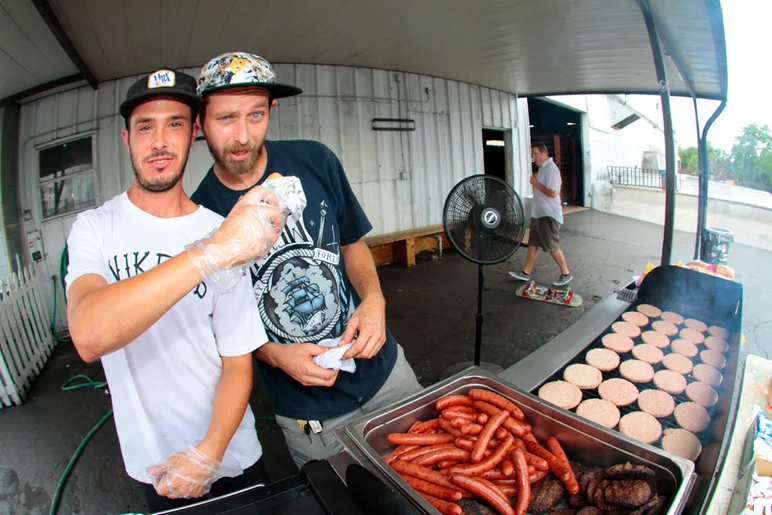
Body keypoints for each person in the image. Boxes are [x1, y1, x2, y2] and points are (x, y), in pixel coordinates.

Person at [65, 69, 285, 512]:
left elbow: (237, 365)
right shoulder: (95, 229)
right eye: (146, 126)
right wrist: (206, 256)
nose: (160, 141)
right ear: (127, 138)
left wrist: (210, 452)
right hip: (157, 465)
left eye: (175, 124)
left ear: (194, 133)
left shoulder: (221, 231)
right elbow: (89, 333)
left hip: (234, 455)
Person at [190, 52, 423, 468]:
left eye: (256, 115)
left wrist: (373, 301)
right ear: (199, 123)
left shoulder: (315, 161)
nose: (243, 135)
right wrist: (276, 355)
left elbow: (352, 243)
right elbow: (222, 327)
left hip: (387, 374)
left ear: (271, 110)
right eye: (226, 118)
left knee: (432, 473)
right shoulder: (199, 219)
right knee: (348, 497)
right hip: (309, 412)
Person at [510, 142, 573, 287]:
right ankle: (525, 273)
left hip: (548, 215)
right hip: (540, 214)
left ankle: (566, 273)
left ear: (544, 153)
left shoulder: (551, 169)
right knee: (533, 244)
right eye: (533, 155)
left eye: (536, 154)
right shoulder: (545, 169)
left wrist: (535, 183)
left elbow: (553, 192)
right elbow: (560, 182)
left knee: (552, 246)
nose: (534, 158)